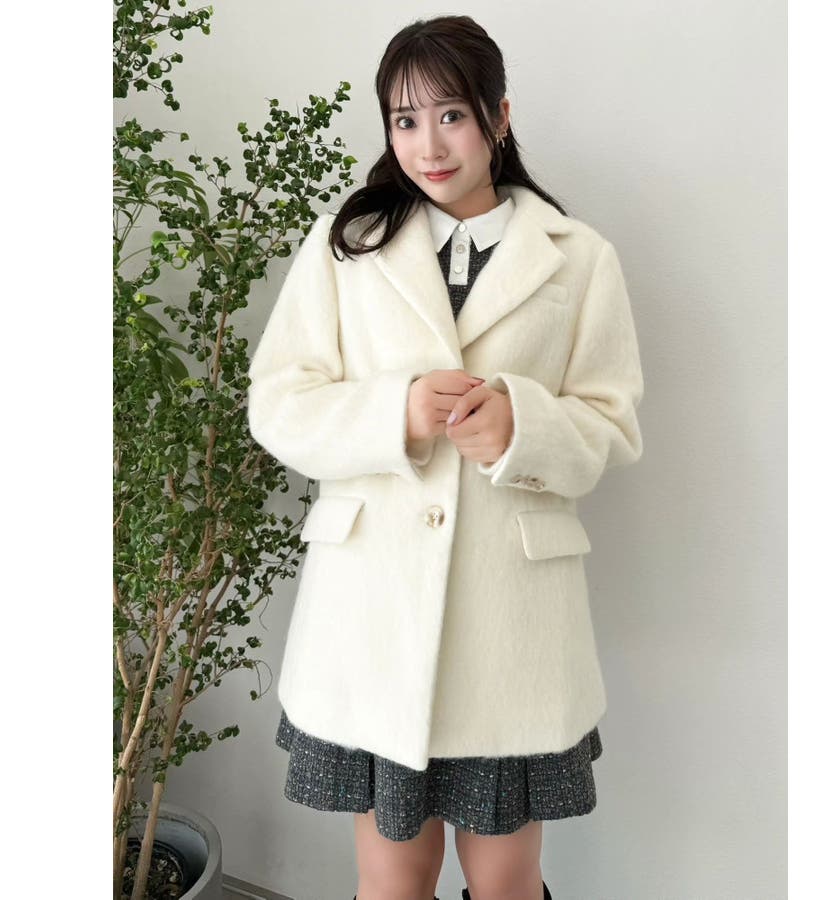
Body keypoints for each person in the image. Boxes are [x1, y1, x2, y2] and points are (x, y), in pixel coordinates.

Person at [247, 14, 645, 900]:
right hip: (373, 621)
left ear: (499, 116)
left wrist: (522, 427)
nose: (427, 145)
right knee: (392, 880)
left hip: (512, 632)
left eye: (451, 115)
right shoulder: (345, 245)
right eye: (404, 119)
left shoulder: (580, 259)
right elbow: (277, 404)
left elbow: (612, 425)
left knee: (506, 882)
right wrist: (394, 412)